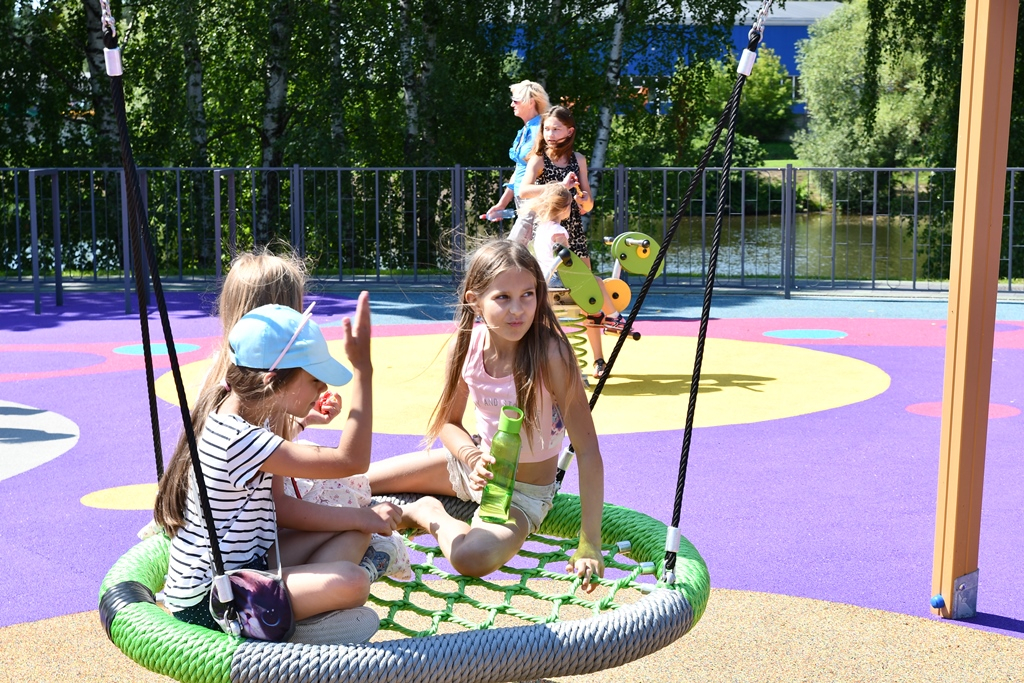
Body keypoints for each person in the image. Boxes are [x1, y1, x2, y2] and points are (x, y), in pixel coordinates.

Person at [154, 295, 402, 644]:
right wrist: (363, 370)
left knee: (356, 527)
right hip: (212, 601)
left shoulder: (234, 413)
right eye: (315, 379)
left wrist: (304, 421)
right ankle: (304, 619)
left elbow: (277, 496)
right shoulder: (240, 439)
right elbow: (351, 461)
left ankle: (305, 611)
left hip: (248, 563)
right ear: (274, 380)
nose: (323, 388)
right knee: (354, 581)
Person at [368, 240, 606, 591]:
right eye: (502, 297)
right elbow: (449, 423)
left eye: (528, 294)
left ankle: (427, 512)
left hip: (523, 494)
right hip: (471, 469)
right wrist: (471, 456)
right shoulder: (466, 345)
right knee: (359, 482)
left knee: (471, 559)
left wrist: (590, 543)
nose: (518, 310)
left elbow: (588, 452)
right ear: (474, 301)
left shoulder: (551, 354)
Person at [519, 108, 621, 377]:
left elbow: (587, 202)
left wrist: (580, 197)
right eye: (546, 129)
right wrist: (559, 186)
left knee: (588, 293)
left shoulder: (578, 159)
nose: (549, 134)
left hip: (573, 229)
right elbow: (524, 190)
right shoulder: (538, 160)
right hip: (551, 229)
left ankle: (599, 359)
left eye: (555, 129)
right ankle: (549, 357)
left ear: (569, 131)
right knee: (556, 298)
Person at [485, 80, 551, 223]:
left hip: (536, 201)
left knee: (521, 242)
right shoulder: (525, 130)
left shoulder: (542, 129)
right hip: (523, 199)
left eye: (516, 101)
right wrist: (501, 204)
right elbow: (520, 169)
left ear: (531, 102)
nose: (511, 105)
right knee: (525, 244)